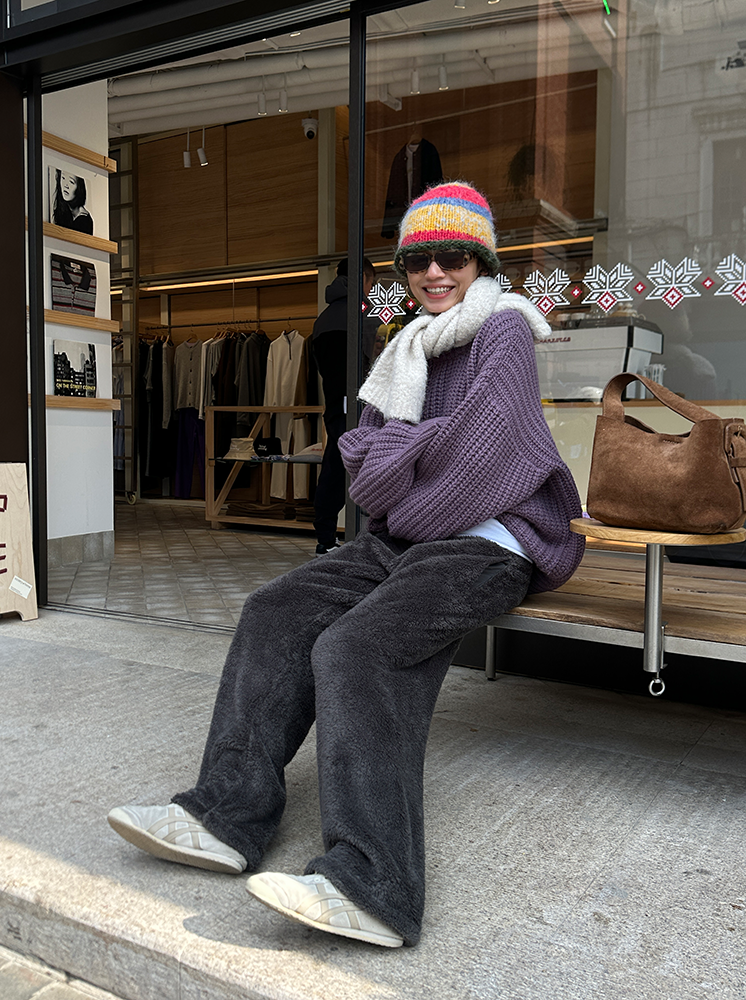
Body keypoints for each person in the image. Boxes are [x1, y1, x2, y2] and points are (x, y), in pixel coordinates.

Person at [107, 181, 585, 949]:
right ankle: (225, 816)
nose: (435, 272)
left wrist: (403, 468)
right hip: (406, 538)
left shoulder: (503, 328)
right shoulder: (406, 344)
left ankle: (374, 887)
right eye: (418, 260)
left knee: (358, 648)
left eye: (453, 256)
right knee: (276, 609)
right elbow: (359, 460)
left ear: (482, 261)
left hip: (494, 541)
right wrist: (411, 462)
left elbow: (482, 454)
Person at [310, 256, 376, 555]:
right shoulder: (361, 314)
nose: (371, 290)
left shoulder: (323, 318)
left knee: (335, 465)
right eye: (371, 283)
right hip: (361, 403)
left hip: (336, 403)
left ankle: (325, 538)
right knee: (369, 465)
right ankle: (371, 537)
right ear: (363, 278)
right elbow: (372, 362)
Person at [52, 170, 94, 234]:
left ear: (79, 188)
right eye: (63, 178)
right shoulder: (62, 207)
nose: (66, 185)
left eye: (71, 182)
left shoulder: (84, 220)